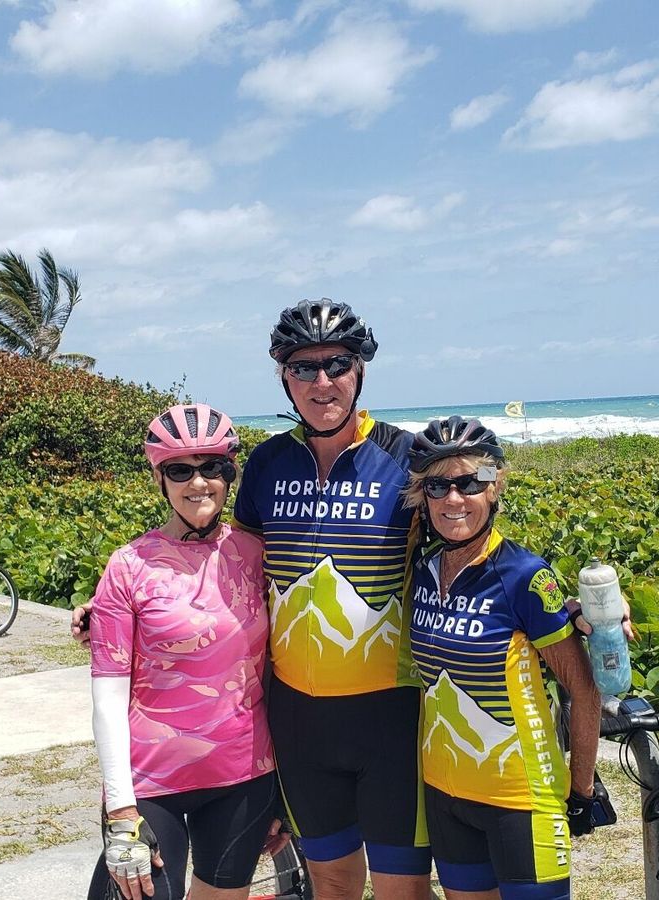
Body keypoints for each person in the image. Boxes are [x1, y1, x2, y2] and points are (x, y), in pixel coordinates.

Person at [233, 299, 431, 899]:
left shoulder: (407, 457)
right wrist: (126, 607)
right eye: (304, 367)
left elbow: (471, 545)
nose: (322, 382)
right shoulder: (267, 463)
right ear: (284, 378)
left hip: (390, 716)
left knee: (402, 890)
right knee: (332, 883)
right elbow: (230, 567)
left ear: (359, 370)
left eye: (337, 364)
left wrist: (561, 607)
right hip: (299, 719)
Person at [403, 416, 604, 900]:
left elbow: (584, 690)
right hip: (445, 793)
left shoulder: (524, 575)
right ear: (423, 496)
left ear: (495, 487)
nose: (454, 498)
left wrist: (581, 789)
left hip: (520, 798)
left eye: (470, 482)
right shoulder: (423, 571)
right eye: (437, 486)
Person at [84, 404, 277, 900]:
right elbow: (108, 700)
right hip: (150, 782)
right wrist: (120, 809)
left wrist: (288, 794)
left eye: (212, 467)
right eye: (179, 471)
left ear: (230, 473)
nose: (198, 483)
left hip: (244, 775)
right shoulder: (127, 566)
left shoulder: (256, 555)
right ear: (159, 478)